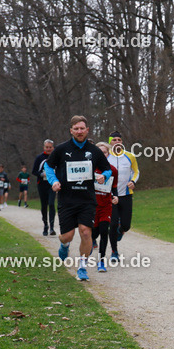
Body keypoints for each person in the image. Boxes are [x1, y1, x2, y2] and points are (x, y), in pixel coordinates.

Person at [44, 115, 112, 281]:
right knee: (67, 236)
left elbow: (107, 169)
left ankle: (82, 267)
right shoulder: (61, 149)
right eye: (76, 129)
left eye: (82, 128)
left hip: (87, 199)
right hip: (67, 199)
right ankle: (64, 245)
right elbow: (48, 165)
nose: (79, 131)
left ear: (87, 130)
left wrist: (103, 176)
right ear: (71, 130)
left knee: (86, 233)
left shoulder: (94, 151)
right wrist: (54, 181)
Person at [106, 131, 140, 256]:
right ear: (110, 142)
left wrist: (133, 181)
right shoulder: (106, 156)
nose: (117, 142)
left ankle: (121, 231)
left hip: (126, 195)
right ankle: (114, 251)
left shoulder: (130, 156)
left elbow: (136, 171)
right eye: (114, 140)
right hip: (111, 196)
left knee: (126, 225)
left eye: (119, 140)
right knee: (113, 224)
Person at [93, 142, 119, 273]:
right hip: (92, 206)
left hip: (106, 206)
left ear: (108, 154)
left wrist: (116, 196)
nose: (102, 155)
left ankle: (101, 261)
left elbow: (114, 187)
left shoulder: (113, 170)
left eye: (104, 152)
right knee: (94, 233)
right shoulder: (90, 168)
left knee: (104, 231)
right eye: (100, 152)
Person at [33, 139, 57, 236]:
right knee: (44, 205)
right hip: (42, 185)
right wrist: (42, 174)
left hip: (52, 185)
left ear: (53, 148)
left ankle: (52, 227)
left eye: (50, 147)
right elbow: (34, 171)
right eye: (47, 147)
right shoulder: (40, 158)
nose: (48, 149)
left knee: (51, 204)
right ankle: (45, 225)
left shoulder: (56, 157)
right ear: (44, 147)